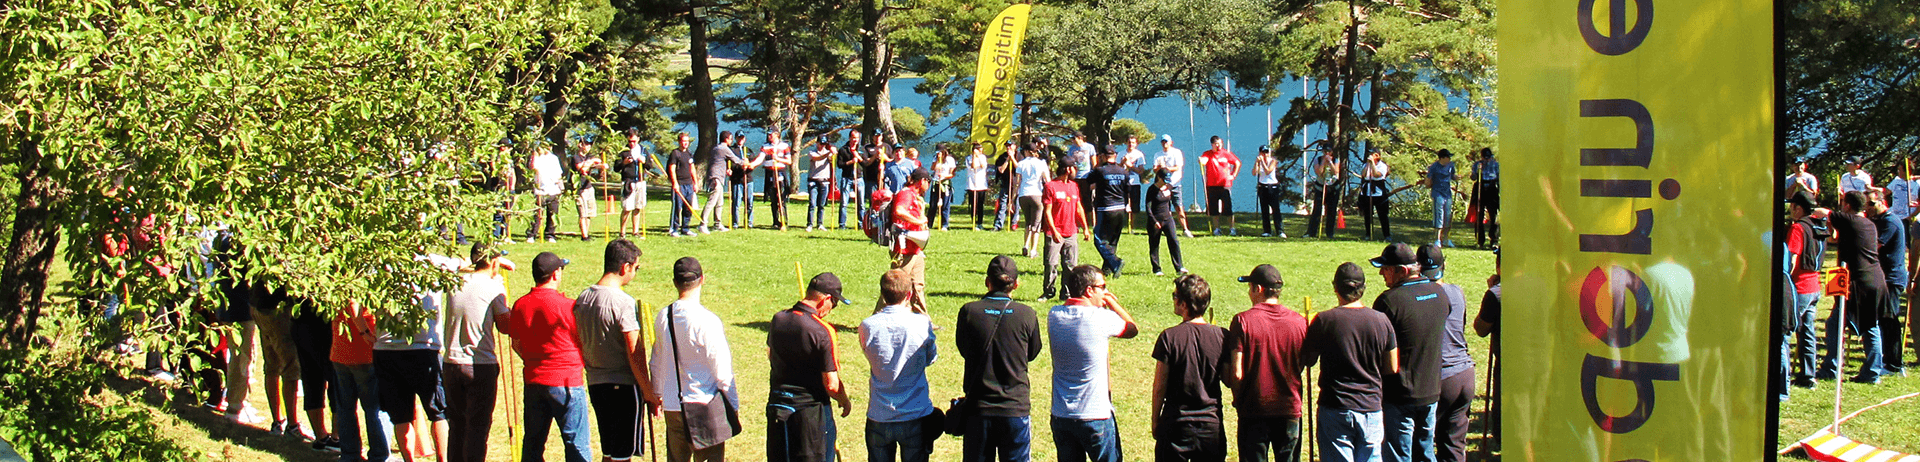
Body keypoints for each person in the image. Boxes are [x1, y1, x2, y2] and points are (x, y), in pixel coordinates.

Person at [1302, 263, 1398, 462]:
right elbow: (1392, 366)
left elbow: (1307, 360)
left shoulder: (1324, 320)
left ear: (1336, 288)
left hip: (1336, 406)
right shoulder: (1381, 320)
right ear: (1363, 288)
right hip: (1370, 407)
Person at [576, 240, 661, 462]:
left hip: (596, 384)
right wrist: (648, 391)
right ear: (626, 267)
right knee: (622, 455)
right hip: (623, 387)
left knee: (609, 451)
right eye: (636, 267)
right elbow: (635, 350)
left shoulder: (583, 297)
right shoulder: (623, 302)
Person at [506, 252, 593, 462]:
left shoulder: (520, 304)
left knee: (533, 443)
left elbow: (516, 343)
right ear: (555, 274)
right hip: (566, 381)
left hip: (534, 380)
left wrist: (533, 359)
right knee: (576, 444)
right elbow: (584, 341)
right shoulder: (568, 306)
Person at [956, 256, 1044, 462]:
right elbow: (1032, 353)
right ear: (1016, 284)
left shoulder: (969, 311)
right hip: (1014, 407)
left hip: (978, 407)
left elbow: (964, 349)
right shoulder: (1027, 314)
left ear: (987, 281)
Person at [1049, 265, 1141, 462]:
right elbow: (1132, 329)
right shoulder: (1102, 318)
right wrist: (1112, 303)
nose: (1105, 292)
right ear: (1089, 290)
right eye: (1103, 287)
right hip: (1095, 415)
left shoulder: (1054, 315)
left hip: (1061, 414)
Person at [651, 257, 740, 462]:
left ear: (675, 282)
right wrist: (732, 405)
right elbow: (722, 370)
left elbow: (656, 360)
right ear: (702, 279)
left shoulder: (663, 316)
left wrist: (656, 393)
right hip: (704, 405)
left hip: (673, 405)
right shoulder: (707, 320)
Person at [376, 254, 461, 462]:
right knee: (439, 411)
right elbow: (462, 263)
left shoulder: (380, 260)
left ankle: (410, 459)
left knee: (401, 415)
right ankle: (443, 459)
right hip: (423, 348)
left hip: (387, 349)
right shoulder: (433, 262)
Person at [1368, 243, 1448, 462]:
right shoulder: (1439, 293)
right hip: (1431, 390)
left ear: (1402, 270)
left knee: (1399, 454)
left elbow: (1376, 347)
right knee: (1426, 451)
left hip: (1400, 394)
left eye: (1386, 269)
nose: (1381, 273)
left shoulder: (1389, 301)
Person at [767, 272, 855, 462]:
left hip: (778, 408)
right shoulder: (823, 331)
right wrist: (844, 400)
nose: (832, 309)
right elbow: (831, 384)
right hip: (810, 416)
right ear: (826, 299)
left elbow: (770, 355)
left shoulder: (778, 319)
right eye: (834, 304)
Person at [1225, 264, 1308, 462]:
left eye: (1250, 287)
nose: (1249, 293)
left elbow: (1237, 372)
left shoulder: (1242, 321)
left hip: (1254, 408)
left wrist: (1238, 398)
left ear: (1258, 289)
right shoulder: (1299, 321)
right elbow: (1303, 362)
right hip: (1289, 408)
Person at [861, 270, 942, 462]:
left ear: (882, 294)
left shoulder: (868, 325)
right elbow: (931, 358)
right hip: (915, 412)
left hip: (880, 413)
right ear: (909, 294)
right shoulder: (922, 323)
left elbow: (870, 355)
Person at [443, 245, 514, 462]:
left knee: (457, 425)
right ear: (494, 262)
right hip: (479, 364)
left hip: (451, 362)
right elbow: (505, 326)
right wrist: (504, 298)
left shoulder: (456, 282)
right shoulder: (493, 288)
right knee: (477, 427)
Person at [1151, 274, 1229, 462]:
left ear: (1184, 304)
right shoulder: (1222, 336)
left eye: (1175, 296)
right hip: (1211, 425)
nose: (1173, 300)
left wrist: (1155, 420)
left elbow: (1160, 386)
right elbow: (1229, 379)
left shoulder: (1169, 337)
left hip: (1176, 424)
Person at [1820, 191, 1888, 384]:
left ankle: (1833, 368)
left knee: (1841, 324)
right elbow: (1836, 239)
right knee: (1868, 325)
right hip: (1874, 279)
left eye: (1843, 203)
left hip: (1860, 282)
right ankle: (1871, 371)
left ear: (1848, 206)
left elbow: (1822, 212)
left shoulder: (1850, 220)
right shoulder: (1868, 224)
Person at [1416, 245, 1474, 462]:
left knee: (1421, 442)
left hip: (1438, 376)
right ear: (1444, 265)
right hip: (1464, 374)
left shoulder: (1419, 298)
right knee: (1454, 446)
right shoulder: (1457, 292)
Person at [333, 298, 389, 462]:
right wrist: (365, 333)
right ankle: (379, 455)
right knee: (374, 408)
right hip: (362, 352)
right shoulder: (357, 285)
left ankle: (349, 454)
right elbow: (354, 304)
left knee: (345, 408)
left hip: (340, 349)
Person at [1786, 191, 1829, 391]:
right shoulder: (1819, 226)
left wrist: (1784, 280)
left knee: (1785, 333)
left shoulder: (1798, 228)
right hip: (1815, 286)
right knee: (1807, 332)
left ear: (1798, 208)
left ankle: (1782, 379)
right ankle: (1808, 375)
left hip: (1800, 287)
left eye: (1792, 206)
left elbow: (1792, 258)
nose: (1790, 210)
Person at [251, 285, 305, 438]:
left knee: (272, 365)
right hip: (278, 309)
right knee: (290, 367)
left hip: (259, 305)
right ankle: (292, 425)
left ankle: (277, 421)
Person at [288, 297, 339, 451]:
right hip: (322, 325)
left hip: (300, 323)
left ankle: (321, 436)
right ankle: (335, 438)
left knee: (311, 380)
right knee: (335, 381)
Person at [1870, 190, 1909, 376]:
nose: (1868, 208)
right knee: (1884, 320)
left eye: (1871, 203)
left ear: (1882, 202)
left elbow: (1874, 246)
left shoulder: (1890, 222)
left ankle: (1894, 364)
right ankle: (1888, 360)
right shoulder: (1879, 220)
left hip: (1892, 278)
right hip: (1883, 277)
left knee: (1890, 320)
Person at [1041, 162, 1093, 301]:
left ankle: (1067, 293)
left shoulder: (1074, 186)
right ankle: (1048, 291)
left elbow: (1079, 208)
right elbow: (1047, 211)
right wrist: (1054, 231)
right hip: (1054, 232)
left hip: (1071, 232)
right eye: (1074, 168)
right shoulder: (1050, 186)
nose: (1076, 171)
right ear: (1068, 169)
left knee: (1071, 265)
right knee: (1051, 264)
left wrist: (1085, 228)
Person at [891, 169, 935, 313]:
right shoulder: (906, 193)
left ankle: (923, 319)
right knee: (895, 286)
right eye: (928, 181)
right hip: (904, 249)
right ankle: (880, 316)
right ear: (922, 181)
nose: (928, 184)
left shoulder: (916, 196)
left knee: (917, 285)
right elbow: (899, 211)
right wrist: (918, 221)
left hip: (915, 247)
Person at [1470, 250, 1500, 452]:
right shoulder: (1540, 284)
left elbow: (1481, 329)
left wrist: (1492, 291)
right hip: (1539, 361)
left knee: (1502, 413)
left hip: (1507, 362)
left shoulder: (1496, 294)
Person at [1088, 149, 1132, 276]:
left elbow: (1089, 180)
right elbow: (1127, 190)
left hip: (1105, 208)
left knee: (1099, 239)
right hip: (1120, 208)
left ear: (1102, 156)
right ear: (1115, 156)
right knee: (1113, 240)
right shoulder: (1123, 172)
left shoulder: (1100, 170)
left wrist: (1097, 164)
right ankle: (1108, 270)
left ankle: (1115, 262)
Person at [702, 131, 746, 234]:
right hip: (716, 178)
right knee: (712, 201)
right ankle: (703, 224)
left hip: (719, 177)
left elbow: (719, 161)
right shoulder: (723, 148)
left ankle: (717, 224)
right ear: (726, 139)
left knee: (720, 202)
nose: (732, 141)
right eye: (731, 139)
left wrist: (726, 169)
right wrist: (746, 163)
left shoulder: (716, 148)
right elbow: (736, 160)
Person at [1144, 170, 1186, 276]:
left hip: (1168, 219)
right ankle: (1157, 269)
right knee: (1154, 244)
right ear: (1159, 177)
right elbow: (1148, 208)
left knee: (1174, 241)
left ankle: (1179, 267)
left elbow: (1168, 202)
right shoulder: (1152, 190)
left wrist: (1171, 212)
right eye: (1164, 180)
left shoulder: (1168, 188)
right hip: (1155, 220)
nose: (1165, 183)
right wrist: (1154, 221)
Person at [1154, 135, 1195, 238]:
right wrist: (1159, 168)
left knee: (1179, 207)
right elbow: (1155, 169)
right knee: (1164, 209)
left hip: (1175, 184)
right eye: (1163, 142)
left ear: (1171, 142)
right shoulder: (1158, 155)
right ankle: (1166, 229)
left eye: (1166, 141)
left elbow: (1177, 167)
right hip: (1163, 186)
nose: (1164, 143)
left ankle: (1185, 229)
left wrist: (1165, 168)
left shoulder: (1176, 152)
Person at [1199, 136, 1240, 236]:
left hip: (1224, 184)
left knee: (1227, 208)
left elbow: (1237, 162)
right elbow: (1204, 161)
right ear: (1212, 144)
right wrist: (1201, 160)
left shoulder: (1226, 153)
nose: (1219, 146)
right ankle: (1217, 229)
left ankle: (1232, 228)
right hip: (1212, 185)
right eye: (1216, 144)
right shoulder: (1208, 154)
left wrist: (1233, 175)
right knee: (1213, 209)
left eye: (1220, 143)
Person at [1016, 145, 1051, 258]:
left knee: (1028, 222)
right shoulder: (1041, 163)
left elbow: (1017, 182)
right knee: (1036, 224)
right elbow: (1047, 180)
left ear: (1027, 151)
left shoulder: (1021, 163)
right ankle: (1033, 250)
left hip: (1023, 194)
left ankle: (1025, 245)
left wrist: (1013, 197)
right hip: (1037, 194)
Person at [617, 131, 654, 238]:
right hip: (628, 182)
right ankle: (622, 232)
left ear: (638, 139)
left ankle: (635, 231)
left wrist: (644, 161)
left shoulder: (643, 150)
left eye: (633, 141)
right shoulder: (623, 151)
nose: (632, 143)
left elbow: (649, 166)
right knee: (627, 208)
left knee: (638, 207)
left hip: (640, 182)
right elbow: (616, 168)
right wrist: (624, 163)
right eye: (629, 141)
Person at [1421, 150, 1461, 248]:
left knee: (1448, 215)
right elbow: (1428, 180)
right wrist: (1428, 184)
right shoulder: (1434, 167)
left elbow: (1452, 176)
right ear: (1442, 158)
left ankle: (1446, 239)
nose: (1449, 159)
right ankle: (1437, 239)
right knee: (1439, 215)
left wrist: (1456, 177)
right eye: (1448, 157)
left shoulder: (1450, 165)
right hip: (1437, 193)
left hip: (1447, 193)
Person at [529, 143, 564, 242]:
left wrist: (561, 186)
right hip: (540, 190)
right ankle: (532, 234)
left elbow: (558, 173)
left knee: (552, 213)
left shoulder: (554, 158)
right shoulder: (536, 157)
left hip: (553, 189)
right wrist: (534, 156)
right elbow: (533, 168)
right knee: (537, 214)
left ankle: (550, 234)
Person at [574, 140, 609, 242]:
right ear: (580, 145)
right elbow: (581, 168)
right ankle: (584, 235)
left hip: (589, 187)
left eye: (589, 146)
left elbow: (594, 165)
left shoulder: (588, 158)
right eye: (586, 145)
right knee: (583, 213)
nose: (588, 148)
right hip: (580, 188)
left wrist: (602, 166)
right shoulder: (576, 157)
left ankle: (587, 233)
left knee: (589, 213)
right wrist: (592, 161)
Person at [666, 133, 700, 237]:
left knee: (688, 207)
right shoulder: (675, 153)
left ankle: (685, 228)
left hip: (689, 184)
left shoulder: (689, 153)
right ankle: (674, 229)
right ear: (679, 142)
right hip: (679, 184)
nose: (685, 143)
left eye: (687, 141)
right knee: (677, 207)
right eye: (684, 141)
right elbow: (672, 168)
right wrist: (675, 183)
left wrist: (695, 183)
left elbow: (692, 168)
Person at [1305, 148, 1341, 239]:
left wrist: (1330, 162)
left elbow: (1335, 172)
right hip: (1320, 187)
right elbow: (1319, 173)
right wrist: (1324, 162)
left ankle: (1330, 233)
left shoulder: (1335, 160)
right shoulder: (1318, 160)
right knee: (1317, 210)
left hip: (1332, 187)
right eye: (1325, 151)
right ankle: (1311, 232)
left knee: (1331, 211)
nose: (1327, 153)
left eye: (1329, 151)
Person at [1358, 151, 1392, 241]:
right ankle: (1368, 234)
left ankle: (1387, 235)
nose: (1371, 156)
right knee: (1367, 214)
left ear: (1378, 156)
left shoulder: (1382, 166)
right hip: (1367, 192)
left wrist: (1373, 164)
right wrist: (1368, 164)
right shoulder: (1366, 164)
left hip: (1379, 192)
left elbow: (1377, 175)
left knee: (1382, 215)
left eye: (1373, 154)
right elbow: (1363, 174)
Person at [764, 131, 795, 230]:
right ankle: (775, 221)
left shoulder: (784, 146)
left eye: (771, 134)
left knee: (781, 199)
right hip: (770, 173)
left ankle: (784, 221)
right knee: (773, 199)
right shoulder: (765, 146)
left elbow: (789, 161)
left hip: (780, 173)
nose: (769, 136)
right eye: (768, 134)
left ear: (776, 135)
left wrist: (778, 159)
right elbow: (761, 159)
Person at [1468, 149, 1498, 248]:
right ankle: (1480, 240)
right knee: (1479, 214)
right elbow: (1473, 178)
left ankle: (1494, 239)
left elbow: (1499, 177)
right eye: (1485, 157)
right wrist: (1476, 172)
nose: (1487, 160)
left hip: (1491, 188)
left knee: (1493, 215)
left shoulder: (1496, 165)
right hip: (1480, 187)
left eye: (1488, 157)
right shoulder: (1477, 164)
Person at [1253, 146, 1284, 238]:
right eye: (1263, 152)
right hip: (1262, 187)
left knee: (1275, 209)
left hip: (1272, 187)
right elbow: (1254, 173)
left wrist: (1262, 162)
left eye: (1266, 152)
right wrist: (1256, 163)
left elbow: (1268, 171)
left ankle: (1280, 231)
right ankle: (1267, 231)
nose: (1265, 154)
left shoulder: (1273, 161)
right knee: (1264, 210)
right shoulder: (1259, 162)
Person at [732, 134, 762, 229]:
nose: (740, 139)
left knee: (749, 202)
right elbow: (731, 165)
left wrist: (748, 164)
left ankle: (749, 222)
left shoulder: (748, 150)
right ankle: (735, 223)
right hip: (737, 180)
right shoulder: (732, 150)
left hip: (748, 179)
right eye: (739, 138)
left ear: (744, 139)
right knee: (736, 202)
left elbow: (753, 164)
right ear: (736, 138)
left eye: (742, 138)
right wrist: (740, 165)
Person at [840, 131, 869, 230]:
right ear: (849, 138)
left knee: (861, 203)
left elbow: (865, 164)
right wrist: (850, 162)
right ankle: (842, 224)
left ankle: (861, 224)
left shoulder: (862, 149)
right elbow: (840, 164)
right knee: (844, 203)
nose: (855, 140)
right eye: (853, 137)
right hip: (846, 178)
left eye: (857, 138)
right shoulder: (843, 149)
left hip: (859, 178)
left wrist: (858, 157)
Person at [808, 140, 838, 232]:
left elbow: (833, 159)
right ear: (817, 143)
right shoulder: (812, 152)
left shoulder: (828, 152)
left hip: (824, 181)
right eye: (821, 143)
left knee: (821, 205)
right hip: (813, 180)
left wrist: (834, 152)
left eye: (824, 144)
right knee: (812, 204)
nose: (822, 146)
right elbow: (817, 158)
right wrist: (828, 153)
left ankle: (820, 224)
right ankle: (810, 224)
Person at [1069, 133, 1099, 223]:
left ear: (1080, 138)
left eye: (1074, 138)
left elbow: (1094, 164)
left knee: (1088, 201)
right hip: (1076, 177)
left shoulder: (1089, 147)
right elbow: (1070, 163)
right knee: (1077, 200)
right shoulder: (1072, 149)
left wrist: (1095, 179)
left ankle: (1092, 222)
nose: (1073, 140)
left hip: (1086, 177)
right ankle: (1079, 222)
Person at [1121, 136, 1148, 233]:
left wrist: (1130, 166)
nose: (1130, 144)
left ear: (1136, 144)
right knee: (1122, 205)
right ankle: (1121, 225)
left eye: (1133, 142)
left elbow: (1141, 171)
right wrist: (1122, 163)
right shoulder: (1121, 154)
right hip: (1123, 183)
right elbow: (1117, 168)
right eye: (1129, 142)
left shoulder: (1139, 155)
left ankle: (1131, 226)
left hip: (1135, 182)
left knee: (1135, 206)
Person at [967, 143, 993, 231]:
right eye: (979, 149)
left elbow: (982, 166)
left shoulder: (983, 157)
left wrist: (978, 157)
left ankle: (980, 223)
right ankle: (974, 221)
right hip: (972, 184)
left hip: (981, 184)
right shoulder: (969, 158)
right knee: (973, 204)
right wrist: (974, 157)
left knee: (980, 204)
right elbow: (973, 166)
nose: (981, 151)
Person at [932, 147, 959, 231]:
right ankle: (929, 224)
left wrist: (944, 176)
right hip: (936, 181)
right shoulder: (935, 158)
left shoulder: (950, 160)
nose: (938, 154)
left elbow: (952, 174)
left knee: (945, 205)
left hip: (945, 183)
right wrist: (937, 160)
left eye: (940, 152)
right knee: (933, 204)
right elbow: (932, 168)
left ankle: (944, 224)